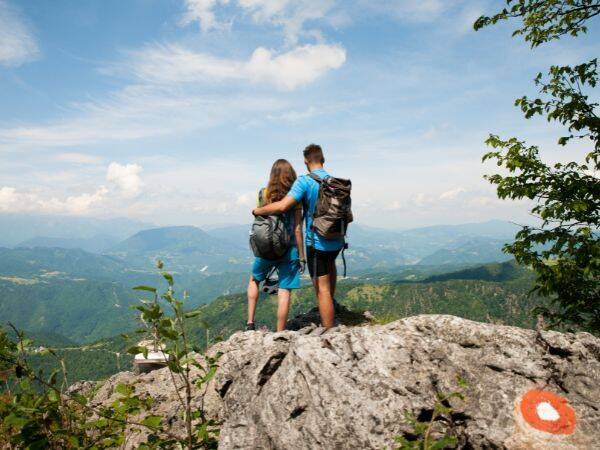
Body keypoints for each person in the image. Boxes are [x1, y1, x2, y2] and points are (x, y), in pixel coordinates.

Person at [253, 144, 343, 329]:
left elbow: (282, 206)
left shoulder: (304, 181)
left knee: (322, 289)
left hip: (317, 243)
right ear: (323, 160)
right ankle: (330, 308)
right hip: (337, 239)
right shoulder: (334, 182)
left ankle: (329, 332)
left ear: (305, 162)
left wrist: (258, 210)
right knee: (331, 270)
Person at [246, 159, 304, 332]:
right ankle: (280, 333)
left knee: (254, 280)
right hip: (289, 249)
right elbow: (298, 228)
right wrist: (301, 255)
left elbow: (259, 220)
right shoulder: (295, 197)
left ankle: (250, 323)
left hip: (267, 248)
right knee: (284, 289)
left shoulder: (263, 194)